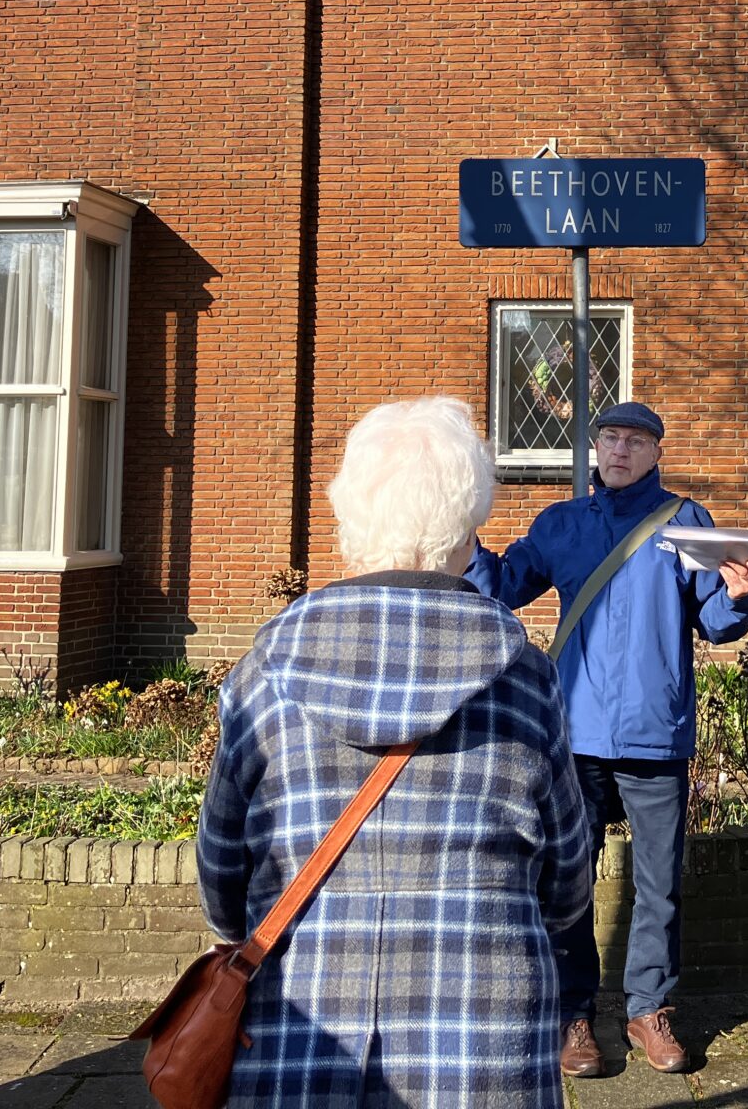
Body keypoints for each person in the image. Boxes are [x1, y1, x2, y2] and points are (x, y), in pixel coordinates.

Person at [197, 397, 590, 1106]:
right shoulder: (525, 677)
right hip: (481, 1051)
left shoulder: (265, 672)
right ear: (468, 530)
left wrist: (236, 929)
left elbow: (222, 865)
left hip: (301, 1033)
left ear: (348, 521)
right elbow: (568, 880)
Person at [468, 400, 748, 1077]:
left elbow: (715, 624)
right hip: (577, 735)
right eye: (611, 438)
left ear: (657, 452)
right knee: (570, 880)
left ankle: (647, 1011)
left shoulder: (687, 523)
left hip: (658, 734)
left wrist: (739, 594)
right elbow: (504, 587)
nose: (622, 450)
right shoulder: (562, 524)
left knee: (661, 884)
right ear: (595, 447)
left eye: (636, 440)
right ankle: (575, 1015)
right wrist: (461, 539)